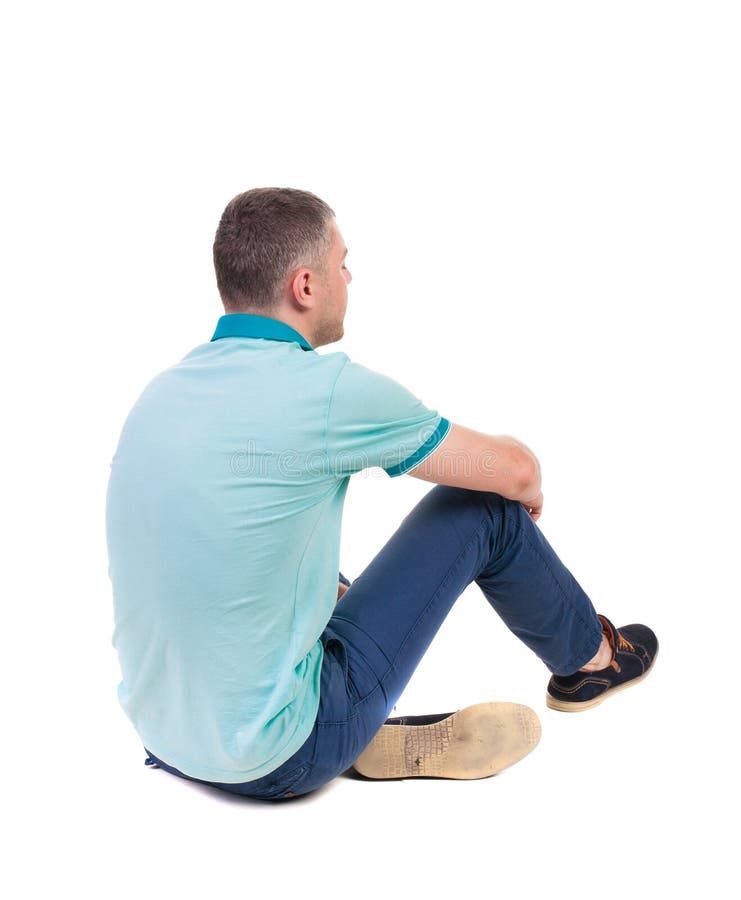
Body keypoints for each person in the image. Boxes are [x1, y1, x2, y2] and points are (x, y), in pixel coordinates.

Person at [105, 187, 658, 801]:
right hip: (280, 757)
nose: (350, 275)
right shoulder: (328, 391)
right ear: (305, 286)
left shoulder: (159, 393)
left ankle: (309, 717)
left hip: (163, 736)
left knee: (249, 542)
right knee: (481, 508)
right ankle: (593, 662)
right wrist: (511, 485)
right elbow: (517, 473)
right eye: (342, 262)